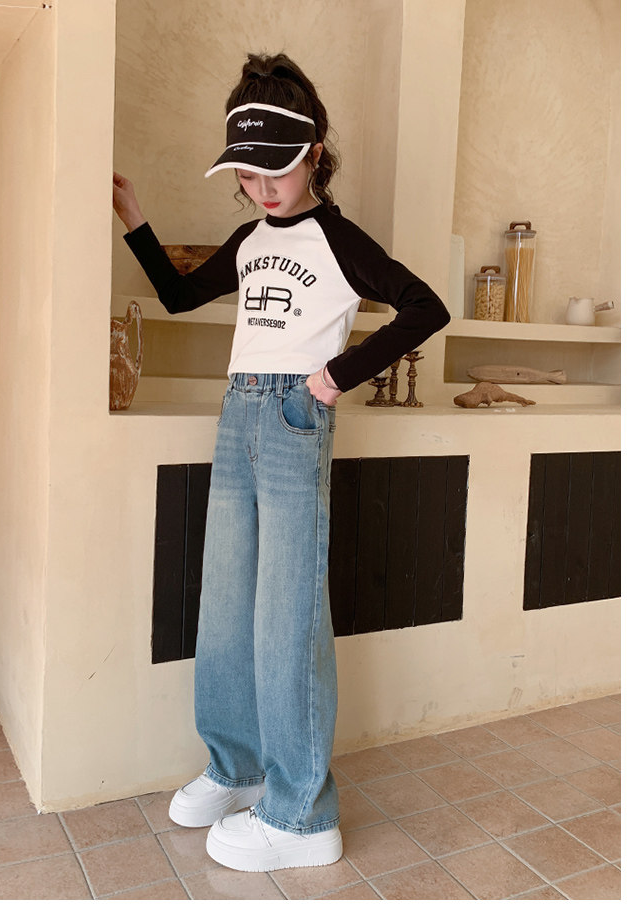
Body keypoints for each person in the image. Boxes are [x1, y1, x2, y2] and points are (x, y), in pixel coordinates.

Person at [113, 52, 450, 873]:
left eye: (278, 169)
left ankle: (302, 814)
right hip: (238, 411)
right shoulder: (249, 239)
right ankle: (238, 770)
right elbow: (179, 297)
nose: (262, 188)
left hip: (296, 414)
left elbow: (425, 306)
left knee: (287, 612)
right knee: (227, 602)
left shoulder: (338, 237)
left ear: (314, 155)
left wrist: (334, 377)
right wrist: (133, 219)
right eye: (247, 172)